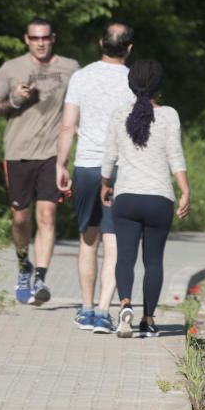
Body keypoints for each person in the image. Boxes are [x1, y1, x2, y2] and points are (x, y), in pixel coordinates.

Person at [0, 19, 79, 305]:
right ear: (26, 39)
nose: (41, 43)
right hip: (18, 153)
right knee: (20, 219)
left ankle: (40, 277)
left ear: (53, 39)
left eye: (46, 38)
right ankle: (23, 263)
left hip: (52, 154)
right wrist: (14, 100)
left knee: (47, 216)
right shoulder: (11, 68)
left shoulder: (71, 68)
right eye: (35, 38)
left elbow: (81, 107)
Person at [100, 60, 190, 337]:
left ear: (131, 84)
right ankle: (148, 321)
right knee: (153, 261)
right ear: (158, 87)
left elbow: (109, 156)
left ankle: (125, 304)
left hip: (126, 197)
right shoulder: (169, 115)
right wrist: (185, 190)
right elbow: (175, 155)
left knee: (124, 258)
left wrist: (105, 184)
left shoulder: (119, 114)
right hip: (159, 199)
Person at [56, 22, 136, 333]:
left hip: (87, 166)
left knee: (88, 239)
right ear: (129, 48)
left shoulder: (81, 77)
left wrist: (61, 163)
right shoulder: (133, 79)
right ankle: (105, 310)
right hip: (121, 168)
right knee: (115, 240)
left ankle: (86, 308)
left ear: (100, 42)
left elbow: (67, 125)